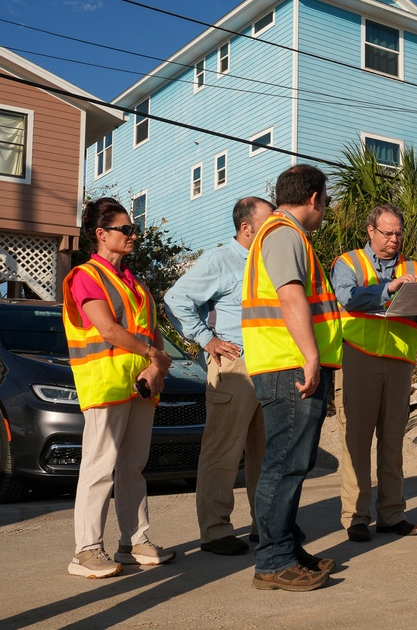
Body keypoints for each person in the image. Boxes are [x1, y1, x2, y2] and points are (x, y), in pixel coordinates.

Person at [61, 197, 177, 578]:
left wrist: (156, 363)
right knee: (99, 467)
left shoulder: (136, 282)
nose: (133, 235)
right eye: (125, 229)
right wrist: (153, 356)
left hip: (140, 388)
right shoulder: (85, 277)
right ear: (100, 234)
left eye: (132, 229)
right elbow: (108, 329)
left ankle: (134, 541)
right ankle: (86, 550)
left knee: (132, 467)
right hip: (107, 385)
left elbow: (152, 332)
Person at [241, 164, 342, 592]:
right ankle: (273, 560)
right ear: (315, 198)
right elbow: (290, 295)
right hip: (289, 366)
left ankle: (286, 547)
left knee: (292, 464)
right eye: (326, 203)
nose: (326, 211)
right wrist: (311, 356)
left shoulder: (283, 233)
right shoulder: (284, 233)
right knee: (284, 465)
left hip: (287, 364)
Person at [330, 204, 417, 542]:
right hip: (357, 360)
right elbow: (348, 299)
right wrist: (391, 287)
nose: (394, 239)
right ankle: (356, 518)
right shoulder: (348, 262)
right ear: (370, 232)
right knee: (356, 442)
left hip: (398, 362)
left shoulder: (415, 268)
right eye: (387, 233)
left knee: (393, 441)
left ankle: (392, 514)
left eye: (398, 233)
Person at [165, 197, 274, 556]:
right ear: (246, 228)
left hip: (270, 363)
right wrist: (206, 339)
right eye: (269, 220)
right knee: (223, 451)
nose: (276, 227)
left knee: (267, 453)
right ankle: (215, 531)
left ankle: (267, 526)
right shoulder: (220, 260)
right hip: (235, 365)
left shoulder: (271, 259)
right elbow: (175, 299)